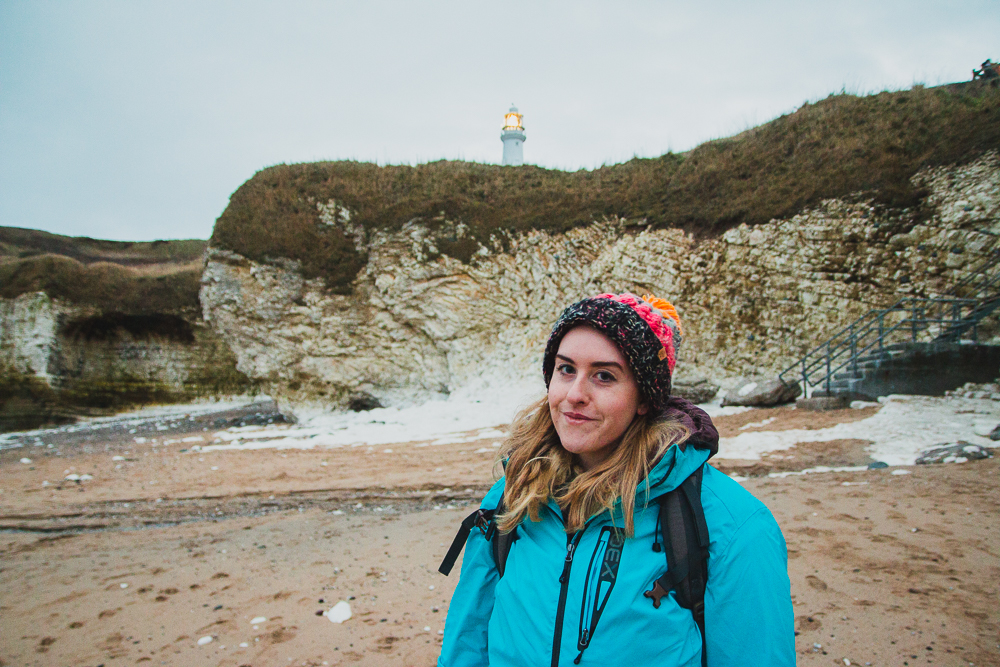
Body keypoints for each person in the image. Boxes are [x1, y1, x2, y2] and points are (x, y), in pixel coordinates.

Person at [437, 293, 795, 666]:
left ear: (644, 398)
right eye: (565, 369)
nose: (575, 395)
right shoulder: (514, 495)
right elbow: (468, 640)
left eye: (604, 376)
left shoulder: (732, 525)